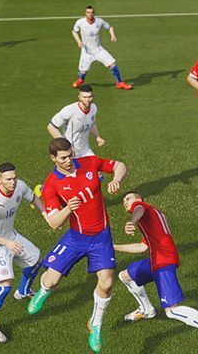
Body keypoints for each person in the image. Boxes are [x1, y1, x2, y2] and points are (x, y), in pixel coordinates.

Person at [27, 138, 127, 353]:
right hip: (76, 238)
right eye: (63, 158)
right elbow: (53, 223)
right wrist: (68, 209)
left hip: (101, 237)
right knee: (52, 280)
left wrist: (117, 179)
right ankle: (43, 290)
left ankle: (95, 324)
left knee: (107, 283)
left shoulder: (89, 162)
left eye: (70, 154)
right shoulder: (51, 185)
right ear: (53, 158)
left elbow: (119, 165)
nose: (68, 160)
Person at [115, 192, 198, 354]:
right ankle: (146, 310)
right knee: (125, 276)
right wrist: (114, 247)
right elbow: (142, 247)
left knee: (171, 311)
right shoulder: (151, 217)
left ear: (139, 199)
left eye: (128, 198)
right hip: (157, 260)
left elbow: (138, 209)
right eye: (123, 200)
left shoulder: (141, 208)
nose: (125, 202)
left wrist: (132, 222)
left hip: (163, 260)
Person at [0, 163, 46, 343]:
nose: (12, 182)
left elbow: (33, 198)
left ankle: (23, 291)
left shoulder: (20, 186)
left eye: (14, 178)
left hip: (11, 237)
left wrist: (46, 214)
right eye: (8, 179)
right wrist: (6, 243)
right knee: (5, 286)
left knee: (37, 260)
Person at [72, 5, 132, 90]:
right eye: (88, 13)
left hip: (99, 50)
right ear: (85, 13)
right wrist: (79, 41)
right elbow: (74, 32)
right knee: (83, 71)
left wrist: (112, 35)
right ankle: (81, 80)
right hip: (86, 52)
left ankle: (119, 83)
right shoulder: (80, 22)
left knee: (112, 64)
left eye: (92, 12)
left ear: (94, 13)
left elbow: (110, 27)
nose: (90, 14)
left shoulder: (99, 21)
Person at [48, 84, 105, 158]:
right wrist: (65, 145)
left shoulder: (93, 108)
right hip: (71, 153)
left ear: (93, 96)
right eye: (84, 97)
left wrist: (97, 137)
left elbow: (92, 123)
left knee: (97, 165)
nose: (87, 100)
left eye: (90, 97)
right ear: (79, 97)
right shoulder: (69, 111)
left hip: (86, 150)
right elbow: (51, 127)